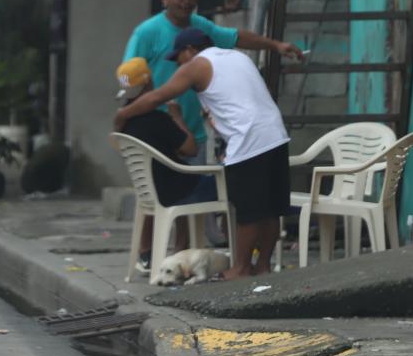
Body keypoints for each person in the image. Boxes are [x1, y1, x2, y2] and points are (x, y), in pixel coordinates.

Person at [115, 28, 291, 280]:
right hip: (275, 133)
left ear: (190, 50)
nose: (179, 66)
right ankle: (262, 266)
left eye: (179, 59)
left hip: (250, 140)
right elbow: (238, 104)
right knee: (271, 208)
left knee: (248, 210)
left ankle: (241, 268)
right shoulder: (237, 57)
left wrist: (123, 115)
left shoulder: (197, 65)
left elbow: (157, 97)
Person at [122, 0, 302, 164]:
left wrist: (275, 45)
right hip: (159, 131)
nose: (186, 2)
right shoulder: (147, 32)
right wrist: (128, 117)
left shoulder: (200, 27)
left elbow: (235, 37)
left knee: (195, 189)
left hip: (192, 135)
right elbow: (128, 76)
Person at [114, 57, 217, 275]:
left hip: (151, 193)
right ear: (149, 84)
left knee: (185, 180)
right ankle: (237, 256)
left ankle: (160, 254)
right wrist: (177, 118)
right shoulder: (159, 120)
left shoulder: (124, 125)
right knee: (232, 183)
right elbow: (191, 149)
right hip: (177, 193)